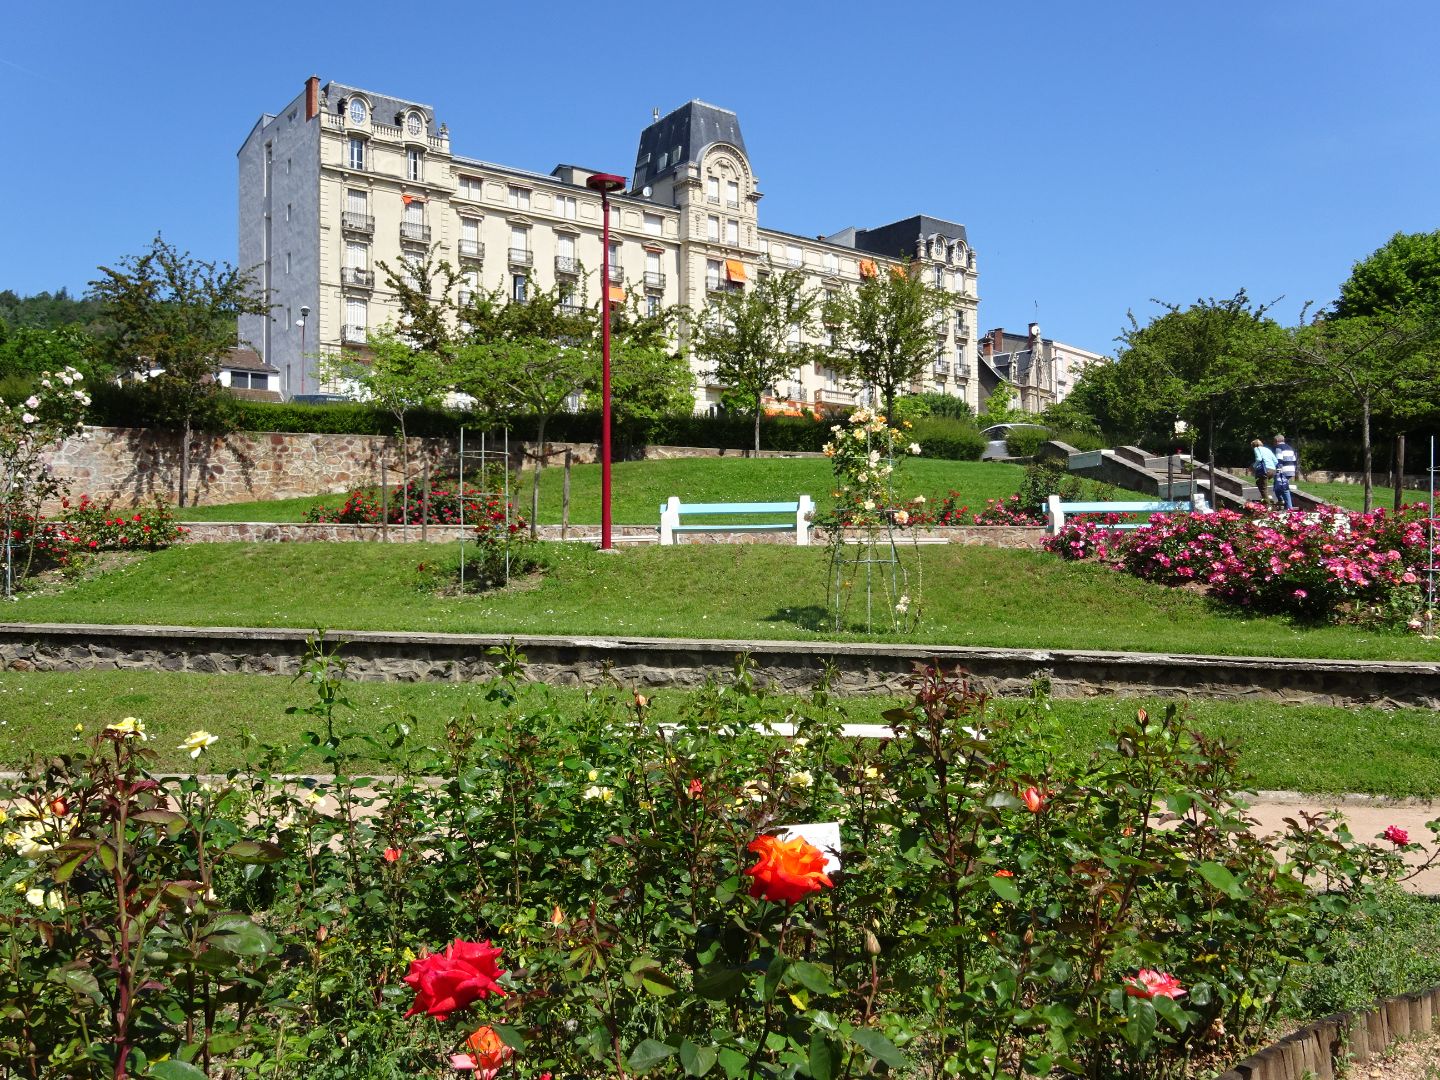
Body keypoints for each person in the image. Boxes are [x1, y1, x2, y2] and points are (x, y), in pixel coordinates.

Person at [1272, 433, 1298, 510]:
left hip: (1283, 470)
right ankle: (1284, 503)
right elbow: (1294, 460)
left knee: (1283, 488)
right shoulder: (1290, 448)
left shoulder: (1278, 447)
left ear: (1276, 440)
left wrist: (1278, 471)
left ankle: (1289, 507)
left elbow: (1279, 460)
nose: (1273, 443)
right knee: (1280, 487)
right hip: (1291, 469)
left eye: (1273, 441)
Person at [1250, 439, 1278, 505]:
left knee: (1263, 489)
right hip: (1273, 470)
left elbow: (1259, 459)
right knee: (1260, 483)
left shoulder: (1256, 449)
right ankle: (1267, 499)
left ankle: (1268, 505)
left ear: (1254, 446)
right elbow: (1276, 461)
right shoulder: (1268, 449)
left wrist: (1254, 466)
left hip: (1265, 470)